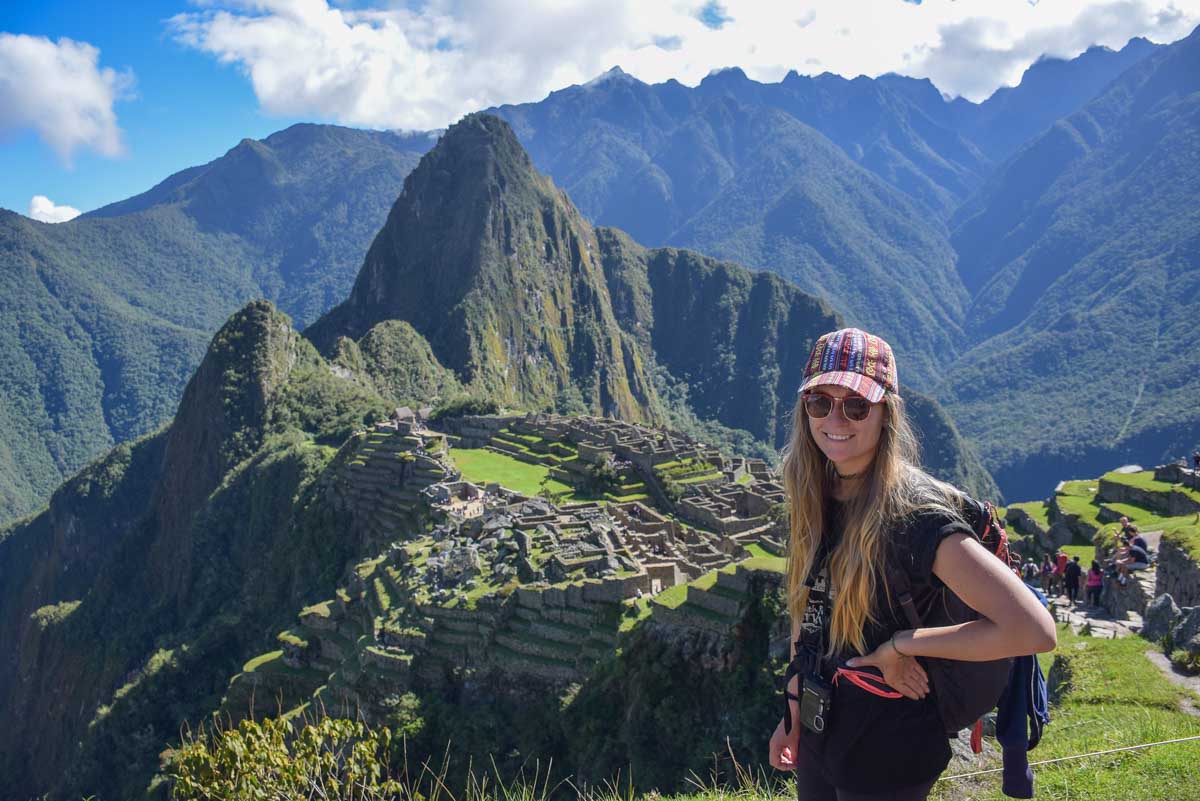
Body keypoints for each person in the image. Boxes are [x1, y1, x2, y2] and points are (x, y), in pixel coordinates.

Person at [767, 327, 1056, 801]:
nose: (835, 418)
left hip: (892, 740)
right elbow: (809, 609)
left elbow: (1034, 630)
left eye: (856, 405)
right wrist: (794, 713)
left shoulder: (915, 517)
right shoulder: (817, 492)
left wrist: (902, 645)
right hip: (825, 725)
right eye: (820, 402)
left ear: (886, 414)